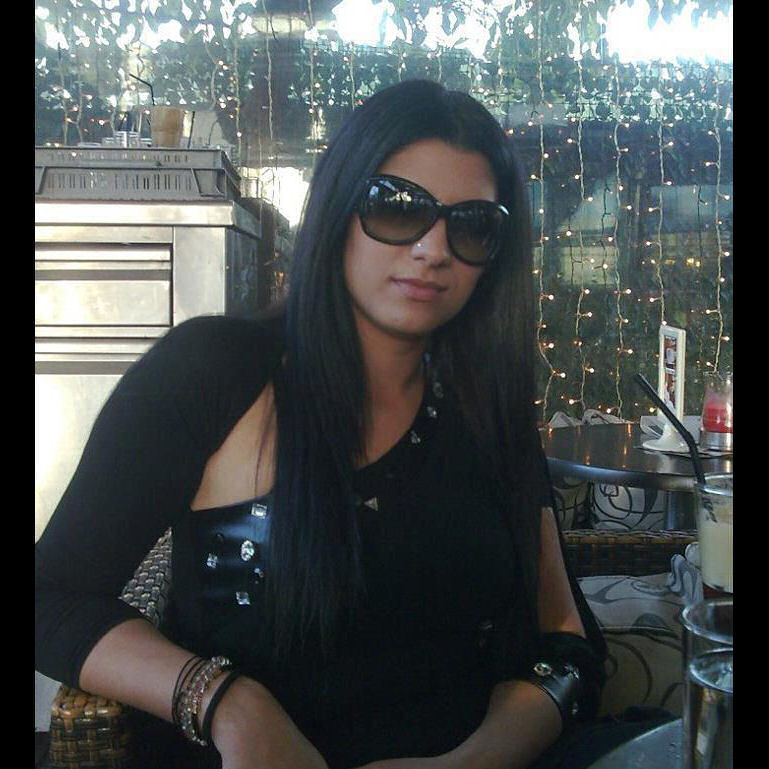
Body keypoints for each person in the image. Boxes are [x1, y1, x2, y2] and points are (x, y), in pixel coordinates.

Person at [35, 79, 672, 769]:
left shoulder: (485, 404)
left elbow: (566, 638)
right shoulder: (215, 372)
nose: (433, 248)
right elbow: (50, 597)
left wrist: (473, 761)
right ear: (339, 209)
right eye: (397, 207)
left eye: (471, 225)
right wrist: (226, 702)